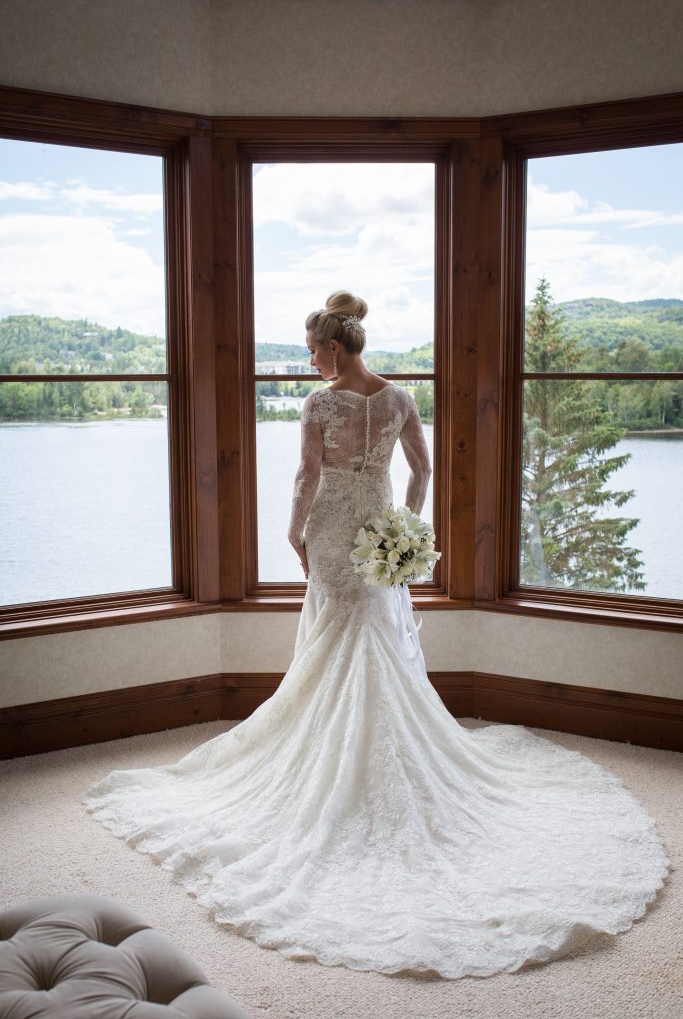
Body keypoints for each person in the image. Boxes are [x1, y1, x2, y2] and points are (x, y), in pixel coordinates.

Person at [84, 290, 670, 980]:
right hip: (378, 528)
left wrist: (293, 531)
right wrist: (405, 527)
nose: (308, 359)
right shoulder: (398, 399)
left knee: (338, 632)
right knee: (371, 637)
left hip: (334, 529)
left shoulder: (320, 404)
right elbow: (420, 470)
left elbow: (306, 474)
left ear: (333, 347)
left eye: (311, 348)